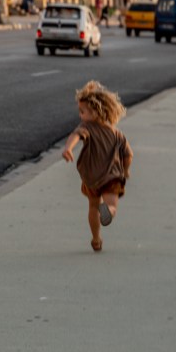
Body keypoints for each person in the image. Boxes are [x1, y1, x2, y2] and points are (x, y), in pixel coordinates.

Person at [62, 80, 133, 253]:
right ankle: (108, 210)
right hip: (112, 176)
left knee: (93, 206)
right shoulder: (116, 133)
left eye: (82, 111)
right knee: (111, 204)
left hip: (92, 178)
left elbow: (76, 135)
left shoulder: (86, 127)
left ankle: (96, 239)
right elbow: (128, 154)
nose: (80, 115)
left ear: (96, 111)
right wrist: (125, 170)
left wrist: (68, 148)